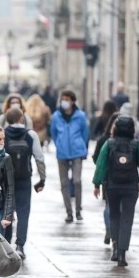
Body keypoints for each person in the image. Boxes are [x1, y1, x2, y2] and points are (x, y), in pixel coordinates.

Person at [92, 116, 139, 267]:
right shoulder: (137, 145)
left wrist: (97, 183)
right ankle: (123, 253)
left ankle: (116, 247)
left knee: (114, 216)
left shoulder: (109, 144)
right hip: (131, 186)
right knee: (127, 218)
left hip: (112, 185)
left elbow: (101, 165)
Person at [4, 108, 46, 259]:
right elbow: (39, 158)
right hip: (24, 179)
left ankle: (6, 244)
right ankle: (20, 245)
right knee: (23, 213)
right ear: (22, 119)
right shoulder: (30, 135)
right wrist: (42, 179)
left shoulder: (2, 134)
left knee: (7, 212)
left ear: (7, 119)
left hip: (6, 179)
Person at [51, 90, 90, 223]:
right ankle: (69, 212)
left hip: (77, 151)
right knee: (64, 183)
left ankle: (78, 210)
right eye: (63, 99)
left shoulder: (80, 116)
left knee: (77, 181)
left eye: (67, 99)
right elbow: (54, 133)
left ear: (72, 101)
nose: (64, 102)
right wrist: (59, 144)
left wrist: (83, 148)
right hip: (62, 153)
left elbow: (85, 133)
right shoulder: (56, 116)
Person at [93, 112, 120, 245]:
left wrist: (99, 178)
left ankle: (109, 229)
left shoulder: (103, 141)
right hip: (126, 180)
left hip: (108, 179)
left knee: (109, 205)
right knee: (119, 208)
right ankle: (115, 232)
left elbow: (95, 159)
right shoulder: (131, 142)